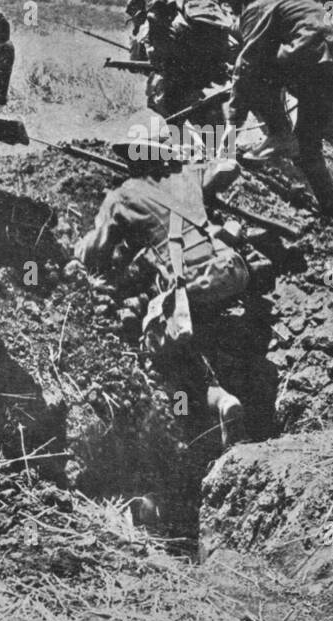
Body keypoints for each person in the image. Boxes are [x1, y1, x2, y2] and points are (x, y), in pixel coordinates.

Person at [74, 115, 249, 446]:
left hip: (195, 280)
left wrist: (76, 249)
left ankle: (217, 399)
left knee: (160, 344)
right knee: (197, 320)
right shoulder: (188, 174)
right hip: (233, 268)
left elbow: (94, 253)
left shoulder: (122, 196)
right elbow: (227, 168)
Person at [216, 0, 333, 222]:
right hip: (331, 66)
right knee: (308, 148)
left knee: (256, 71)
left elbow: (245, 67)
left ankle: (280, 133)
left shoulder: (258, 8)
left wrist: (233, 124)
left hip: (315, 62)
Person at [119, 0, 235, 128]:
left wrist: (158, 56)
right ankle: (220, 149)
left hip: (184, 47)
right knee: (196, 97)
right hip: (211, 44)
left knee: (162, 96)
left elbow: (155, 13)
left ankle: (183, 148)